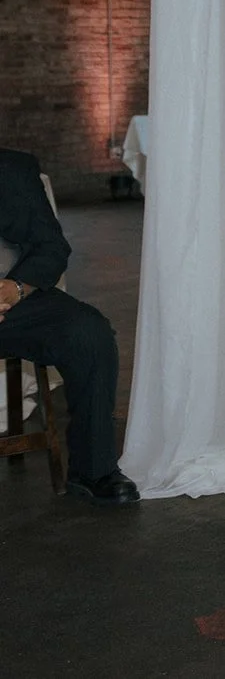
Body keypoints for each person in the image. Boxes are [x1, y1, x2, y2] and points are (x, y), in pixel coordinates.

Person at [0, 149, 139, 505]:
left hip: (11, 302)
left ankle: (94, 469)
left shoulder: (11, 169)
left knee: (88, 333)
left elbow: (50, 247)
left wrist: (15, 289)